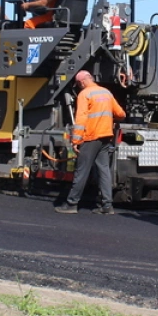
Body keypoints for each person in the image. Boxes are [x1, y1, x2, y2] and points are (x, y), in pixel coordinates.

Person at [56, 70, 126, 215]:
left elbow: (81, 120)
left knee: (81, 171)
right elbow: (121, 114)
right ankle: (107, 206)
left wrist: (75, 140)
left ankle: (71, 204)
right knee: (104, 170)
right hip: (106, 136)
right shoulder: (106, 93)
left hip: (91, 137)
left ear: (82, 82)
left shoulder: (84, 94)